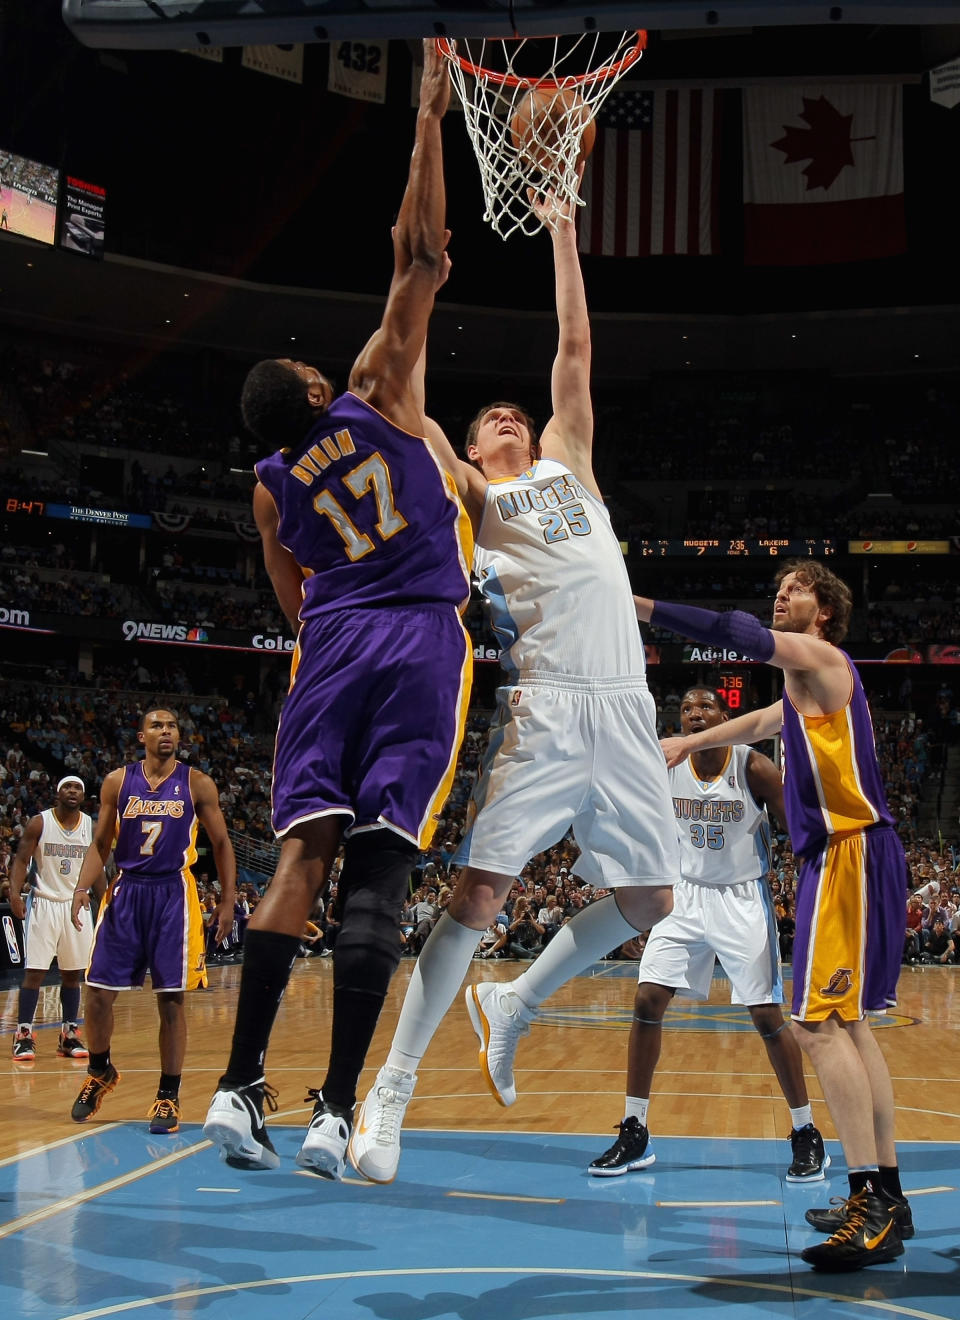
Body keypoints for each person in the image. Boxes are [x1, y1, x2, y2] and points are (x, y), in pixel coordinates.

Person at [349, 181, 678, 1184]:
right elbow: (404, 401)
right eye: (488, 415)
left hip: (625, 705)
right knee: (480, 888)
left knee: (653, 899)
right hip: (546, 709)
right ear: (479, 444)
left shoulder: (569, 462)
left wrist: (564, 226)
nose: (505, 414)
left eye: (512, 412)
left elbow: (574, 350)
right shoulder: (472, 494)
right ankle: (390, 1092)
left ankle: (518, 1000)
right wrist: (418, 284)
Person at [201, 40, 472, 1182]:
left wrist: (321, 634)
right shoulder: (373, 394)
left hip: (330, 646)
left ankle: (234, 1086)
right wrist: (425, 114)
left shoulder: (268, 487)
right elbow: (421, 250)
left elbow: (292, 593)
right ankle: (332, 1111)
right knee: (381, 873)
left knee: (298, 861)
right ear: (315, 392)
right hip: (415, 636)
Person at [640, 560, 910, 1272]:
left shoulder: (820, 657)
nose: (782, 593)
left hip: (848, 853)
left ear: (826, 611)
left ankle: (868, 1202)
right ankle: (887, 1191)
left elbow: (736, 634)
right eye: (779, 585)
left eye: (799, 587)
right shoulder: (804, 688)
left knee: (813, 1027)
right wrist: (692, 742)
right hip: (857, 853)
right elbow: (763, 720)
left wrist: (638, 604)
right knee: (849, 1023)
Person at [587, 686, 827, 1183]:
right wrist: (635, 903)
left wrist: (815, 898)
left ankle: (807, 1133)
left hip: (741, 897)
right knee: (647, 1001)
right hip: (683, 895)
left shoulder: (753, 766)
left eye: (705, 708)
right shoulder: (665, 761)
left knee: (765, 1015)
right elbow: (635, 831)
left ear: (725, 715)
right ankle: (635, 1130)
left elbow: (800, 833)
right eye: (686, 708)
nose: (694, 715)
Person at [70, 709, 236, 1133]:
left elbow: (220, 843)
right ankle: (100, 1068)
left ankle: (168, 1095)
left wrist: (228, 900)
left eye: (173, 725)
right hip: (126, 890)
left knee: (171, 1000)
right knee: (97, 992)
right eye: (158, 725)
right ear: (141, 734)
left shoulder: (197, 783)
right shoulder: (117, 782)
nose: (167, 731)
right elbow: (101, 842)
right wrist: (80, 888)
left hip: (173, 895)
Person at [9, 776, 94, 1062]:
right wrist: (15, 895)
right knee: (35, 972)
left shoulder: (88, 825)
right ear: (58, 793)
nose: (73, 791)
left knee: (73, 973)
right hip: (44, 903)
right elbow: (21, 859)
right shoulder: (39, 822)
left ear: (83, 795)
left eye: (78, 788)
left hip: (76, 904)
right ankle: (23, 1035)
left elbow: (98, 864)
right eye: (67, 787)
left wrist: (107, 901)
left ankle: (69, 1035)